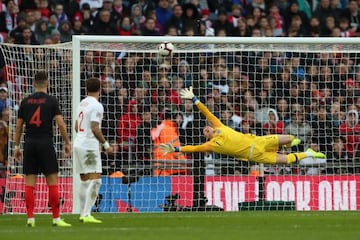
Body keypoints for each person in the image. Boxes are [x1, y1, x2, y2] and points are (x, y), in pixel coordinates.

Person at [160, 87, 326, 164]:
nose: (207, 128)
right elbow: (192, 148)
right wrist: (175, 149)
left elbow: (207, 113)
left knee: (289, 137)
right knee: (287, 160)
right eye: (205, 130)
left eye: (207, 127)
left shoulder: (220, 126)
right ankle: (309, 153)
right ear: (206, 135)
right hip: (255, 156)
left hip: (258, 141)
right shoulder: (211, 145)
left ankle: (292, 143)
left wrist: (195, 99)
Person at [14, 71, 71, 227]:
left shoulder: (25, 102)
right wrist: (67, 142)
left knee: (29, 182)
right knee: (52, 181)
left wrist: (16, 146)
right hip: (46, 143)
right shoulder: (51, 101)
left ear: (33, 84)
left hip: (30, 144)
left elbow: (18, 126)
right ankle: (56, 218)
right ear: (48, 83)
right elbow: (60, 123)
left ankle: (31, 218)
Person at [74, 77, 114, 223]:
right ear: (100, 90)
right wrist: (106, 145)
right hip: (89, 146)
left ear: (86, 89)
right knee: (96, 180)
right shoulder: (97, 105)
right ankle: (86, 214)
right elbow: (95, 127)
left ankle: (82, 213)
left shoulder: (82, 103)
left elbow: (76, 127)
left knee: (84, 180)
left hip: (78, 143)